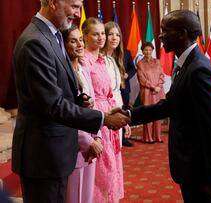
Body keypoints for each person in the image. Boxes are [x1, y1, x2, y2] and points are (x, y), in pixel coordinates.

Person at [11, 0, 129, 202]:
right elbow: (52, 105)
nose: (78, 12)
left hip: (56, 153)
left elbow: (58, 89)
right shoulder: (35, 41)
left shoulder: (52, 36)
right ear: (52, 3)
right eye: (74, 6)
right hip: (43, 156)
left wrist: (79, 99)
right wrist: (103, 118)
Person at [113, 9, 211, 202]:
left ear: (182, 33)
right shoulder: (187, 64)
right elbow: (170, 105)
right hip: (189, 166)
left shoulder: (198, 69)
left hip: (199, 169)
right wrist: (129, 115)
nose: (160, 35)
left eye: (165, 30)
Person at [82, 17, 126, 203]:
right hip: (96, 119)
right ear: (85, 36)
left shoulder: (103, 59)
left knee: (111, 165)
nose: (101, 38)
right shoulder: (84, 60)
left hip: (110, 115)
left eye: (102, 34)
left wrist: (122, 117)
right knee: (100, 170)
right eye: (95, 34)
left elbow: (110, 92)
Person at [62, 25, 102, 203]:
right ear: (62, 44)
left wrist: (98, 136)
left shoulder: (84, 69)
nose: (79, 44)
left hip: (91, 142)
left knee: (86, 198)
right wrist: (87, 141)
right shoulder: (61, 73)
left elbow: (93, 106)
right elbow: (64, 112)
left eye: (80, 40)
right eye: (73, 40)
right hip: (75, 146)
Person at [101, 21, 132, 147]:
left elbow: (117, 92)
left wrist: (123, 118)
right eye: (111, 34)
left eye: (117, 35)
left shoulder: (115, 60)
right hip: (105, 114)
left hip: (117, 111)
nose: (115, 38)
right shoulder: (99, 59)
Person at [137, 42, 165, 143]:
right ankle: (148, 138)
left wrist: (159, 86)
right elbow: (142, 80)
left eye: (150, 50)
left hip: (159, 91)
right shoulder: (140, 64)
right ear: (142, 51)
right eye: (145, 50)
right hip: (147, 92)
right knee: (148, 114)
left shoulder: (157, 61)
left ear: (152, 51)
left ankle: (157, 137)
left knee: (157, 114)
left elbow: (162, 75)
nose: (148, 52)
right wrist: (153, 87)